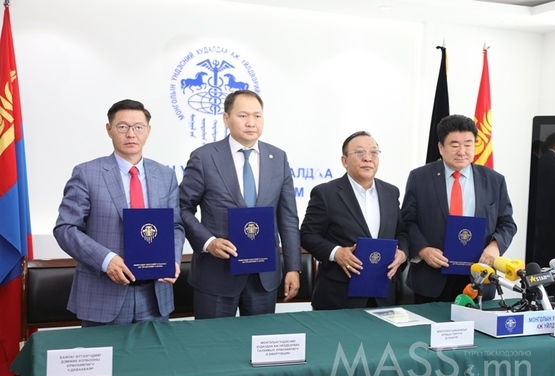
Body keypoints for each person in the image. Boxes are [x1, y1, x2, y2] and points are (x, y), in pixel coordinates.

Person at [54, 99, 185, 327]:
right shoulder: (87, 173)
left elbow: (175, 226)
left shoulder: (165, 175)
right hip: (103, 294)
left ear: (148, 130)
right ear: (109, 129)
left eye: (138, 127)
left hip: (155, 296)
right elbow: (66, 229)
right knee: (105, 352)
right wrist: (106, 260)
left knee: (153, 351)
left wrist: (172, 259)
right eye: (122, 126)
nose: (131, 134)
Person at [179, 90, 301, 319]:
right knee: (213, 341)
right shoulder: (205, 157)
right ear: (226, 119)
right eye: (243, 115)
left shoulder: (278, 158)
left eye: (257, 116)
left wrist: (293, 267)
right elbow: (182, 207)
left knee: (259, 340)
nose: (251, 123)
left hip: (263, 277)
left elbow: (288, 218)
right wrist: (208, 242)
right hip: (216, 274)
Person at [402, 114, 517, 303]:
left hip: (479, 277)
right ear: (441, 147)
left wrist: (495, 247)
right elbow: (407, 221)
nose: (462, 151)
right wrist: (423, 249)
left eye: (468, 144)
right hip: (432, 278)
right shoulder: (419, 178)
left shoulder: (494, 180)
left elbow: (507, 223)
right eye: (454, 145)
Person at [300, 131, 409, 310]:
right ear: (344, 161)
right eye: (359, 152)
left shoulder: (391, 192)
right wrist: (336, 252)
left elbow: (401, 233)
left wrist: (402, 254)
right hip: (338, 297)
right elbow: (307, 235)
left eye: (373, 152)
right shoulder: (326, 193)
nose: (368, 158)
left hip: (383, 293)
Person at [534, 131, 555, 264]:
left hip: (543, 210)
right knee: (546, 245)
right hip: (548, 211)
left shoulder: (546, 158)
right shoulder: (554, 160)